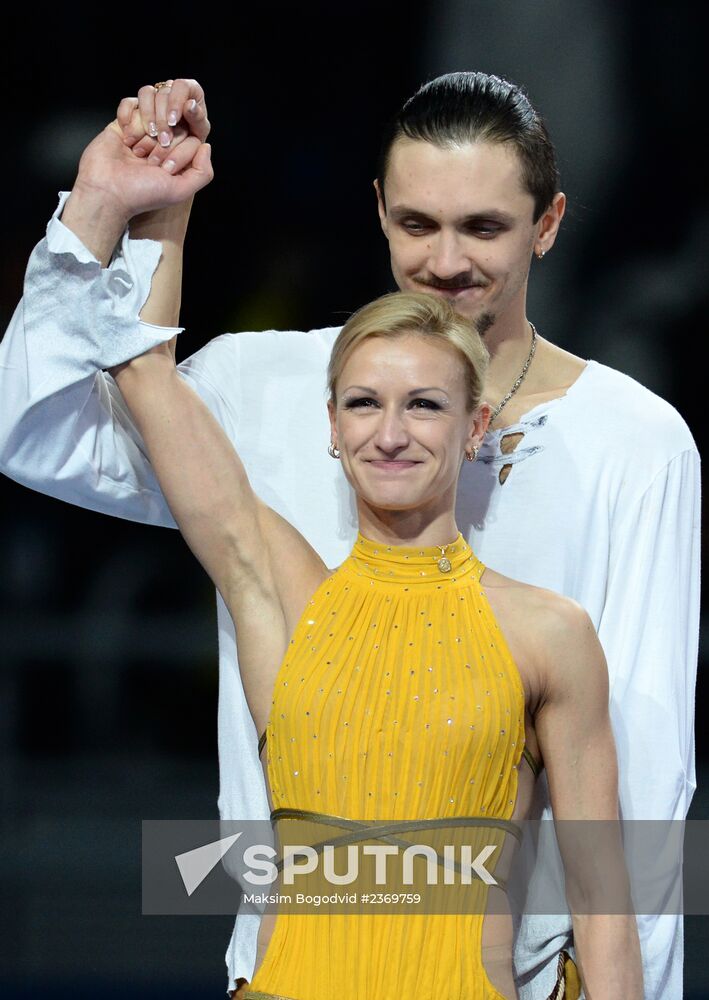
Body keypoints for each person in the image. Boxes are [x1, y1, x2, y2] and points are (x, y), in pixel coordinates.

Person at [0, 72, 698, 998]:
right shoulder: (265, 389)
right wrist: (109, 207)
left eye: (482, 227)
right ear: (376, 210)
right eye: (416, 223)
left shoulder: (636, 443)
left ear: (549, 222)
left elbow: (647, 786)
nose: (446, 261)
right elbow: (40, 428)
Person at [110, 280, 642, 998]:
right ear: (332, 425)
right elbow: (145, 373)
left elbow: (602, 907)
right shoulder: (285, 596)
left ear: (475, 425)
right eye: (363, 403)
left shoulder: (550, 633)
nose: (389, 434)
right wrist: (162, 203)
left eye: (423, 404)